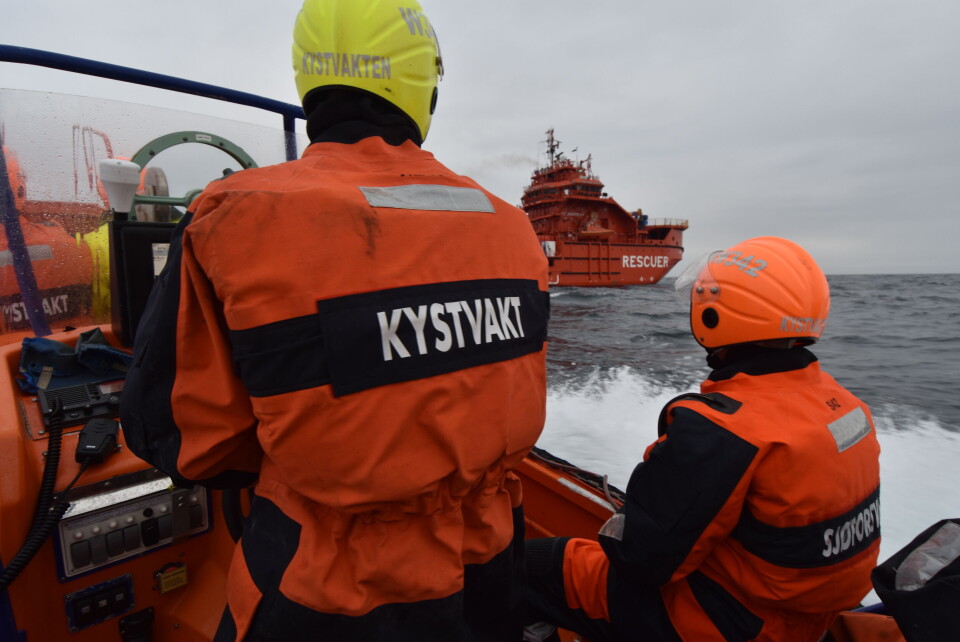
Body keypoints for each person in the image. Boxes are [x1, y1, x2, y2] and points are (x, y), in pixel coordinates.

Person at [119, 1, 550, 640]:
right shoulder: (513, 227)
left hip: (325, 589)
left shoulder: (233, 216)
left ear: (309, 78)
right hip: (488, 562)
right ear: (422, 79)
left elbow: (178, 438)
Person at [524, 236, 881, 641]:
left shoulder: (720, 430)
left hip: (729, 624)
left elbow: (639, 559)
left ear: (714, 317)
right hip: (807, 619)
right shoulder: (848, 407)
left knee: (525, 567)